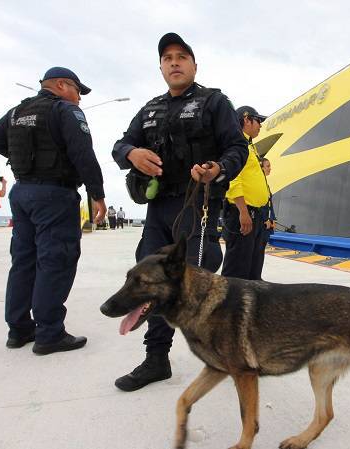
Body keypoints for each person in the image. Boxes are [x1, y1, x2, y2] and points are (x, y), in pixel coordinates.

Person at [111, 33, 248, 391]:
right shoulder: (150, 109)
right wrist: (131, 154)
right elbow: (120, 144)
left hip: (197, 204)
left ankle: (223, 348)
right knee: (150, 281)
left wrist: (218, 168)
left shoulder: (214, 102)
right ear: (161, 67)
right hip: (158, 209)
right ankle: (156, 359)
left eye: (181, 56)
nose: (174, 62)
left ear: (194, 66)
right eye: (167, 58)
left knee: (196, 281)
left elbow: (237, 148)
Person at [0, 66, 107, 355]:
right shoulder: (65, 110)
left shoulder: (16, 112)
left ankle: (19, 329)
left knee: (24, 261)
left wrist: (27, 157)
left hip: (22, 192)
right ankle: (49, 333)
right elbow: (83, 153)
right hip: (55, 194)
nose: (79, 98)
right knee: (56, 260)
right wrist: (97, 194)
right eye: (78, 90)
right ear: (62, 85)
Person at [222, 106, 271, 280]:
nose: (260, 125)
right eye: (258, 121)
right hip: (242, 213)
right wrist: (243, 211)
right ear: (246, 120)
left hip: (255, 215)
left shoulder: (249, 146)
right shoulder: (236, 146)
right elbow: (233, 179)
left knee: (253, 271)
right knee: (237, 273)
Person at [256, 157, 276, 279]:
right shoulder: (259, 184)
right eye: (267, 166)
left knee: (260, 251)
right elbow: (259, 204)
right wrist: (265, 219)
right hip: (262, 223)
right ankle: (255, 276)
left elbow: (269, 204)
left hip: (266, 224)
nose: (270, 168)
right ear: (261, 168)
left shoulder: (265, 184)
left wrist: (273, 219)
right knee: (257, 251)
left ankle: (257, 275)